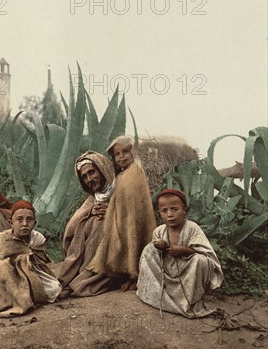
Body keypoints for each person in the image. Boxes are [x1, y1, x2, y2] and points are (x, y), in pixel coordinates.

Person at [137, 189, 223, 318]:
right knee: (149, 249)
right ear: (159, 214)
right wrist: (160, 246)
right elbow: (156, 251)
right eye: (164, 211)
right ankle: (158, 293)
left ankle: (187, 300)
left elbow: (205, 253)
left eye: (174, 209)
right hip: (166, 271)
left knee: (201, 260)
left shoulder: (192, 228)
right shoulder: (159, 231)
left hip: (187, 271)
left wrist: (183, 250)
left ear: (185, 210)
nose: (170, 215)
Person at [86, 136, 156, 291]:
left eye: (125, 152)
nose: (121, 156)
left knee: (134, 239)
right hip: (123, 217)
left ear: (133, 153)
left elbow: (136, 202)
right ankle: (126, 274)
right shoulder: (120, 175)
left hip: (133, 217)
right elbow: (118, 198)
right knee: (125, 242)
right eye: (117, 154)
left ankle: (135, 275)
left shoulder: (136, 173)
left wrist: (116, 210)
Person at [53, 151, 119, 298]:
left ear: (102, 169)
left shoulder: (121, 188)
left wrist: (112, 212)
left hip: (119, 246)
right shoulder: (93, 198)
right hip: (95, 246)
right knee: (87, 223)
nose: (89, 179)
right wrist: (90, 212)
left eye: (92, 172)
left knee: (98, 223)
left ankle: (86, 279)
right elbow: (71, 227)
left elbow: (134, 217)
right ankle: (75, 277)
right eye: (84, 177)